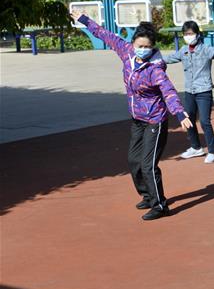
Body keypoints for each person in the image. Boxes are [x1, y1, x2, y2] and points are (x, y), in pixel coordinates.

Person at [70, 12, 192, 221]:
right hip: (137, 119)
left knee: (147, 164)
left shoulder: (155, 70)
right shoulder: (126, 52)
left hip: (156, 120)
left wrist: (179, 113)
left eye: (147, 47)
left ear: (152, 47)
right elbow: (104, 34)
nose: (142, 50)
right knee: (133, 160)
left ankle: (161, 205)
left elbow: (169, 91)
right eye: (139, 45)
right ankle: (147, 195)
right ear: (133, 43)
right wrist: (84, 19)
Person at [163, 20, 214, 164]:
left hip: (204, 91)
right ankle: (196, 147)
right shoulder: (183, 50)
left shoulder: (205, 49)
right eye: (186, 34)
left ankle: (212, 151)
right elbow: (169, 58)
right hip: (189, 91)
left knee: (205, 121)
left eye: (191, 33)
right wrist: (152, 59)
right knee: (189, 120)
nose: (188, 36)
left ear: (197, 34)